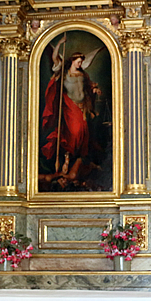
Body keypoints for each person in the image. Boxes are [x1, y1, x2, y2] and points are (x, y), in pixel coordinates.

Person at [40, 35, 105, 187]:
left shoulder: (83, 74)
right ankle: (68, 157)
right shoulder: (63, 72)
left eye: (82, 62)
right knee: (73, 133)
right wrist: (60, 44)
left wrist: (94, 89)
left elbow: (87, 87)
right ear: (73, 61)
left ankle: (74, 159)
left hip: (82, 107)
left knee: (82, 134)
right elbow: (55, 57)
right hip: (69, 107)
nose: (80, 63)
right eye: (78, 61)